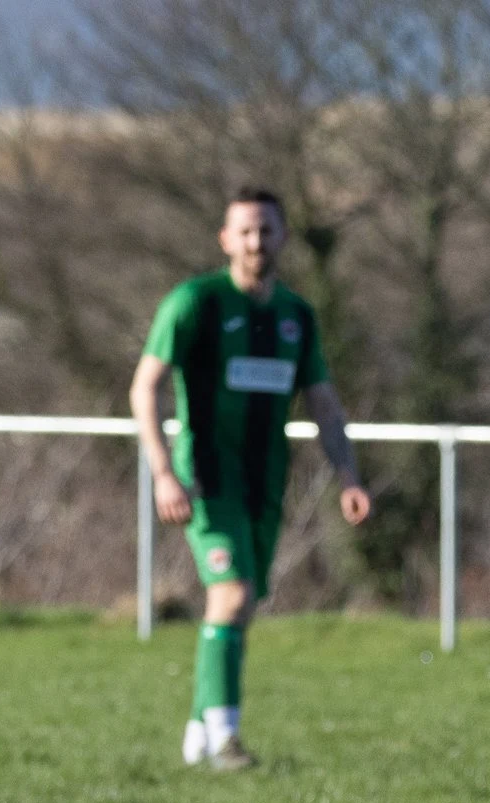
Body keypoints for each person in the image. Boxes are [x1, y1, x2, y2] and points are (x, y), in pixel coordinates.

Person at [130, 188, 373, 769]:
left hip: (266, 481)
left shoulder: (295, 316)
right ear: (225, 239)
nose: (256, 241)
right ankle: (226, 741)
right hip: (204, 480)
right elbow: (144, 387)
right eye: (244, 231)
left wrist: (348, 476)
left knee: (239, 604)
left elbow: (324, 403)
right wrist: (163, 472)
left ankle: (199, 726)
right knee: (232, 593)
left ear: (283, 236)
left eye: (266, 230)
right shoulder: (194, 303)